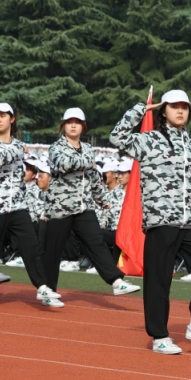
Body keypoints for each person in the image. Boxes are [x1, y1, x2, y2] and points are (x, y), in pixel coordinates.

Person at [110, 91, 191, 355]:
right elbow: (117, 137)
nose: (180, 111)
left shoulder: (189, 144)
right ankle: (159, 336)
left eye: (185, 107)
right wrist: (143, 108)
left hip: (190, 221)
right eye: (174, 106)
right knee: (159, 281)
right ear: (163, 110)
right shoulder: (150, 140)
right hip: (161, 221)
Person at [43, 108, 139, 303]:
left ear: (83, 126)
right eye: (69, 122)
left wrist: (102, 200)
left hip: (84, 207)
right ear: (63, 125)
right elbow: (62, 164)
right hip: (60, 208)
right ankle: (48, 291)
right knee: (53, 251)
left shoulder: (88, 149)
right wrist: (88, 161)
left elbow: (94, 178)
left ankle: (116, 281)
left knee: (96, 243)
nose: (73, 125)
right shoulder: (56, 147)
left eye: (77, 122)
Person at [0, 103, 63, 309]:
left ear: (12, 119)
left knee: (31, 246)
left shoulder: (19, 146)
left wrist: (19, 149)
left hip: (18, 207)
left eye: (3, 116)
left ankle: (43, 287)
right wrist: (19, 149)